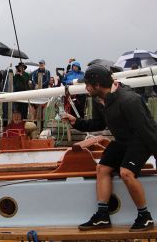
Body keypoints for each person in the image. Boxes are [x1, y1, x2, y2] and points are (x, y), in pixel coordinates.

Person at [62, 64, 157, 232]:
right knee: (102, 168)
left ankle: (145, 216)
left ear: (97, 85)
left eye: (87, 85)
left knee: (126, 173)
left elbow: (147, 129)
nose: (86, 88)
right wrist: (76, 122)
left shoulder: (129, 100)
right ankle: (102, 216)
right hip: (122, 140)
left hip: (140, 140)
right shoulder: (100, 100)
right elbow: (99, 123)